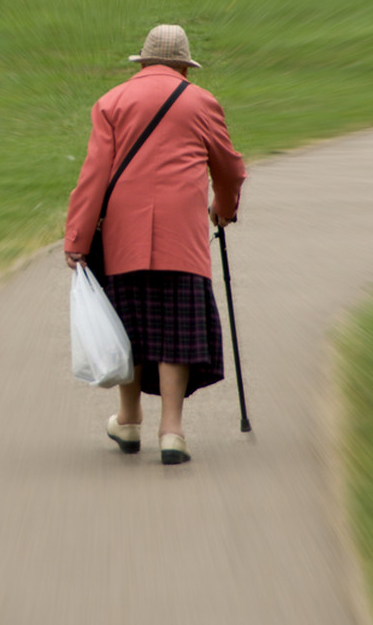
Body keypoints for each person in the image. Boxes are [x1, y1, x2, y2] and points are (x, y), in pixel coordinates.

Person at [64, 24, 246, 465]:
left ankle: (128, 421)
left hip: (122, 234)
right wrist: (224, 208)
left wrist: (78, 238)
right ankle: (172, 432)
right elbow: (229, 167)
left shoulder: (112, 102)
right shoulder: (202, 102)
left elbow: (94, 177)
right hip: (181, 237)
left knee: (131, 325)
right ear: (185, 66)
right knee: (175, 330)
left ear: (142, 62)